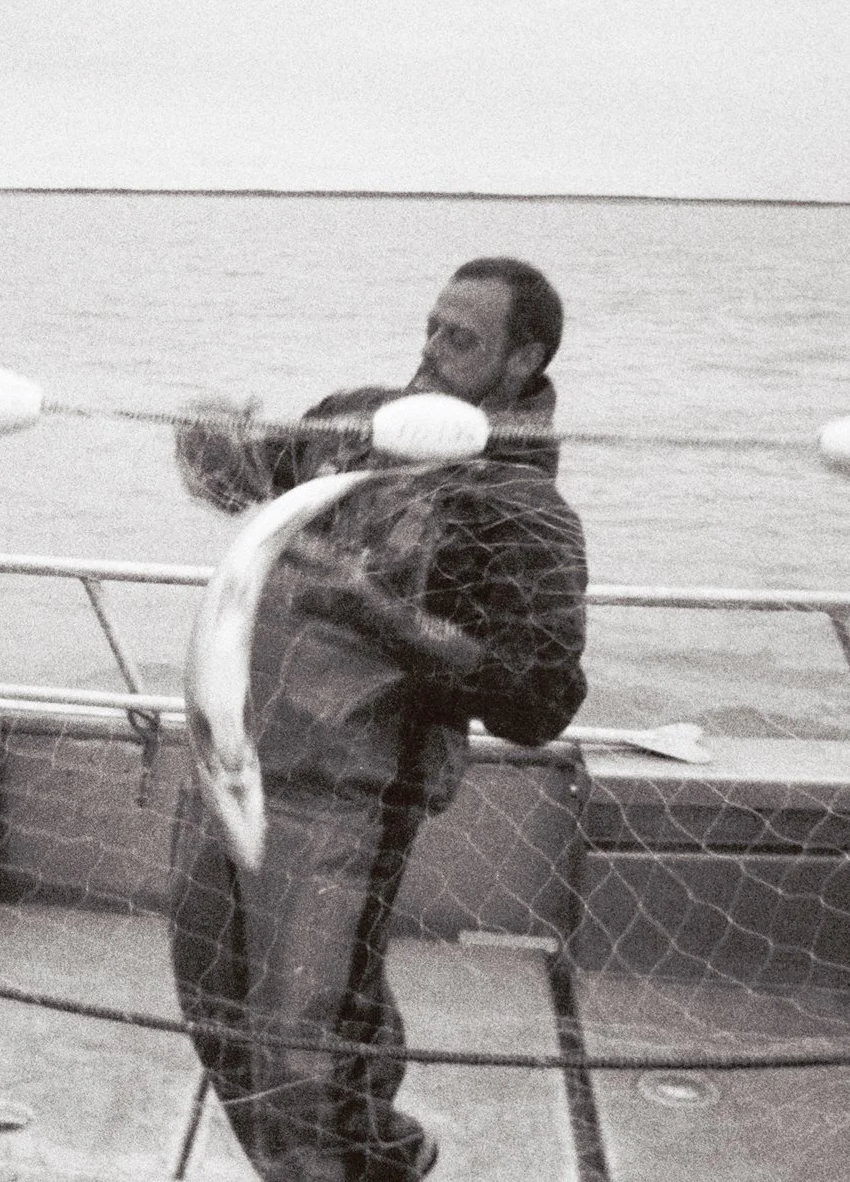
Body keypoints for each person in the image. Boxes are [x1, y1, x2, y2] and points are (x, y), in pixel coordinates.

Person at [169, 257, 589, 1181]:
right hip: (232, 754)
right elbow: (245, 482)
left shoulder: (524, 507)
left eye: (462, 339)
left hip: (348, 806)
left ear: (522, 362)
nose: (432, 351)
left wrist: (380, 614)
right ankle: (361, 1156)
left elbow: (539, 698)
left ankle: (359, 1161)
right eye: (432, 326)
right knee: (209, 996)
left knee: (305, 1040)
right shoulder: (354, 416)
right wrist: (207, 443)